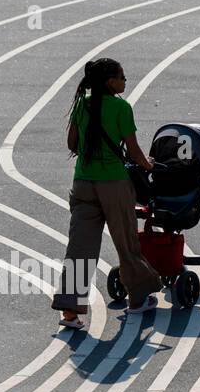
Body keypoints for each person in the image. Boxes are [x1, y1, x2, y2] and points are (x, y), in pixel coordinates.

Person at [53, 58, 161, 330]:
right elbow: (134, 151)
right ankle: (137, 299)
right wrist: (150, 165)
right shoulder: (122, 108)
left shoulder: (81, 104)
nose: (125, 81)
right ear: (110, 81)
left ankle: (69, 311)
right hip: (114, 184)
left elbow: (72, 143)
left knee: (79, 248)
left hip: (84, 183)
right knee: (126, 242)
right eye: (122, 77)